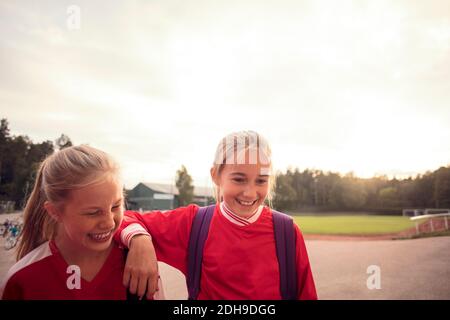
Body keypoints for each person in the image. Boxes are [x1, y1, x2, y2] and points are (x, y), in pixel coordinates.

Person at [118, 131, 317, 299]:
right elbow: (118, 218)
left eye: (261, 181)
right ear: (216, 175)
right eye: (239, 179)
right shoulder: (193, 224)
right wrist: (140, 239)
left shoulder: (287, 232)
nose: (250, 192)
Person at [0, 145, 160, 300]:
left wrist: (140, 237)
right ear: (54, 211)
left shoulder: (139, 266)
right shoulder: (23, 279)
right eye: (93, 212)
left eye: (116, 206)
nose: (109, 223)